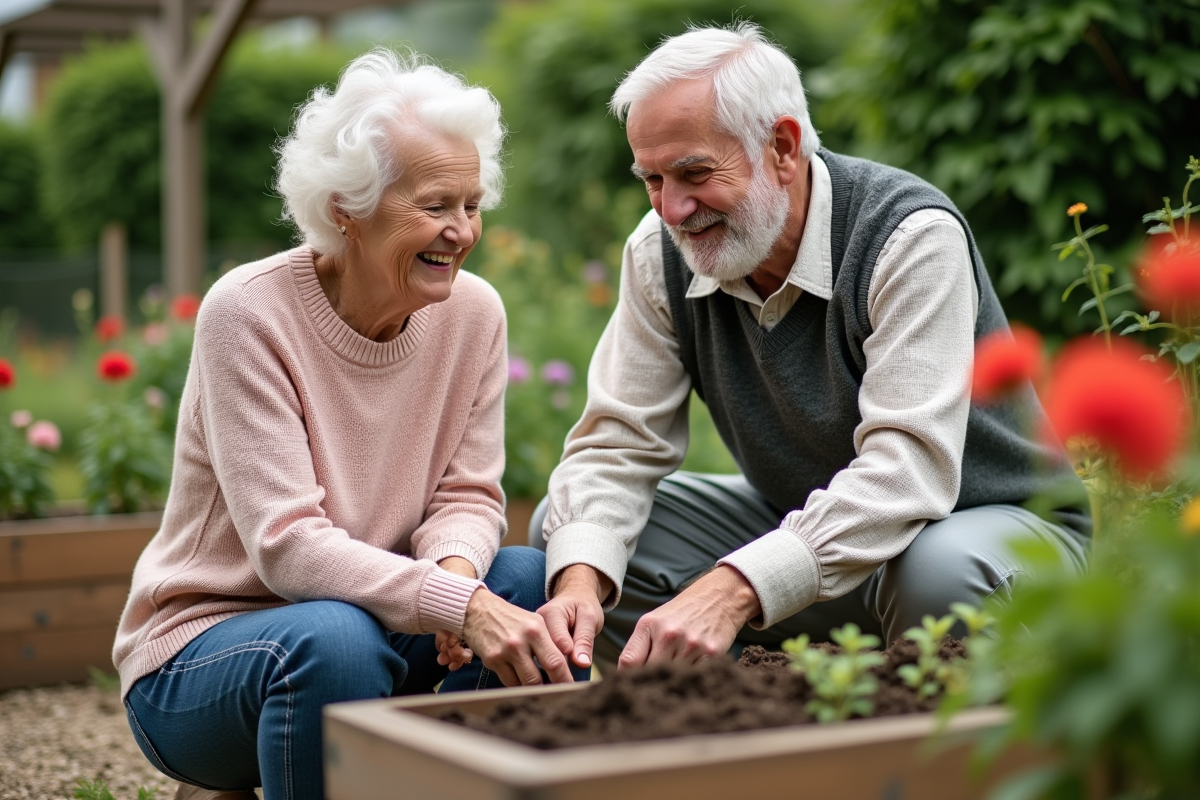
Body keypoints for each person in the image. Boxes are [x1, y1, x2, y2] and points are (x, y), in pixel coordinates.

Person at [531, 23, 1090, 675]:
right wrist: (578, 584)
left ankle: (910, 762)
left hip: (988, 531)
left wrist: (735, 588)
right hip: (814, 537)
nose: (673, 209)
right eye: (651, 179)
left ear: (783, 148)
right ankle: (747, 732)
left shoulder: (907, 237)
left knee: (937, 577)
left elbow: (907, 470)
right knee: (579, 535)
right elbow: (616, 445)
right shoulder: (659, 254)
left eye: (694, 173)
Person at [113, 49, 584, 800]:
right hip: (204, 657)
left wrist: (459, 589)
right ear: (346, 208)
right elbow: (288, 547)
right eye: (434, 206)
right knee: (333, 640)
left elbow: (467, 496)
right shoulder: (250, 313)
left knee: (525, 580)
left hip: (375, 623)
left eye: (471, 204)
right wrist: (458, 606)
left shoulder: (474, 314)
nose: (461, 231)